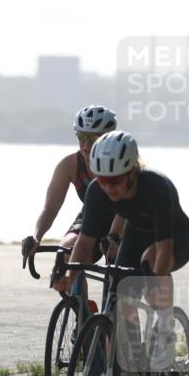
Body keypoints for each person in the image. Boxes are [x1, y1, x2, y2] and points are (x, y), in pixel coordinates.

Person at [52, 131, 189, 369]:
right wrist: (69, 277)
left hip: (177, 237)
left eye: (115, 181)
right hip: (137, 235)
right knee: (119, 298)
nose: (108, 187)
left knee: (150, 264)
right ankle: (126, 370)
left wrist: (154, 285)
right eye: (102, 179)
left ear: (132, 172)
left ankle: (165, 328)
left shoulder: (156, 186)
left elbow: (164, 247)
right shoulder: (97, 191)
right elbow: (85, 243)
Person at [21, 105, 124, 265]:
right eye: (82, 137)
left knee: (118, 268)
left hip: (125, 217)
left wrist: (114, 237)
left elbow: (125, 208)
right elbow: (50, 208)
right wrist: (37, 237)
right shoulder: (70, 165)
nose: (86, 146)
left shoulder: (122, 163)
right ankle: (76, 289)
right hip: (92, 216)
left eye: (94, 139)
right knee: (66, 253)